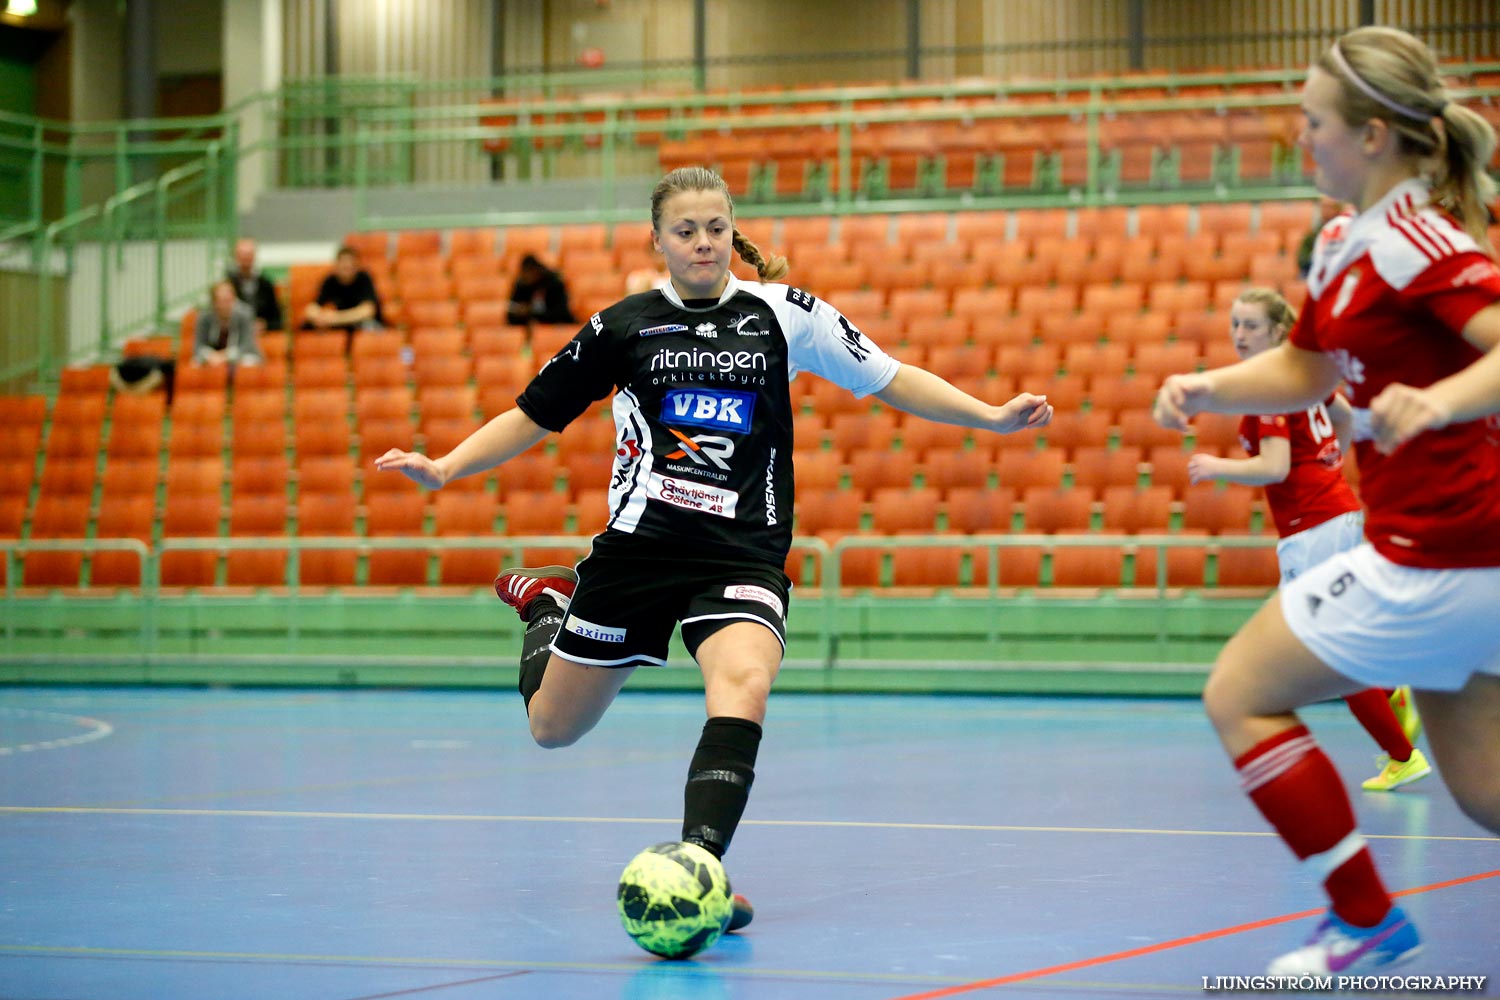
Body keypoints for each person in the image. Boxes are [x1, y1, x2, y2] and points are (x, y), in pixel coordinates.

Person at [376, 165, 1053, 935]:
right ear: (658, 240)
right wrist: (447, 465)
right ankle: (549, 606)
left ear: (735, 232)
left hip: (740, 554)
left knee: (743, 685)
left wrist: (992, 417)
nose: (703, 244)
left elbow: (891, 378)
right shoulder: (621, 327)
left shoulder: (784, 314)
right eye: (686, 231)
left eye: (716, 229)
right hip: (638, 551)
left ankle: (703, 869)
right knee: (552, 728)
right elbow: (534, 414)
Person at [1153, 25, 1500, 975]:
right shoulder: (1348, 241)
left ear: (1375, 136)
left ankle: (1365, 914)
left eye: (1314, 123)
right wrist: (1213, 388)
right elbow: (1308, 366)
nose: (1302, 139)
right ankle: (1366, 917)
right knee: (1484, 793)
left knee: (1239, 693)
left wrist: (1443, 398)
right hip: (1456, 561)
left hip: (1444, 553)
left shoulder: (1418, 242)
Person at [1186, 288, 1427, 792]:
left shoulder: (1270, 389)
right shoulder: (1296, 378)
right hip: (1335, 514)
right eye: (1234, 324)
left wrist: (1216, 467)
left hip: (1314, 527)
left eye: (1250, 325)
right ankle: (1394, 692)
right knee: (1340, 636)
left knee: (1326, 646)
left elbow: (1273, 466)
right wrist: (1328, 465)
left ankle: (1402, 755)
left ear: (1277, 332)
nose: (1238, 334)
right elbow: (1340, 416)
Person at [302, 246, 384, 345]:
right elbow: (312, 308)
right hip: (341, 325)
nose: (347, 266)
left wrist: (335, 318)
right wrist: (319, 317)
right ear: (337, 265)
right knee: (307, 328)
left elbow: (368, 311)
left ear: (357, 265)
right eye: (344, 263)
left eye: (351, 263)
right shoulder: (330, 280)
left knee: (372, 331)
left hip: (360, 324)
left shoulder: (364, 279)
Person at [194, 280, 263, 367]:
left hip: (240, 355)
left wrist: (225, 356)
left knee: (248, 363)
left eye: (228, 300)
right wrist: (211, 356)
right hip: (212, 356)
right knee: (195, 364)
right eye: (220, 301)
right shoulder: (204, 317)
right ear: (214, 302)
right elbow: (198, 346)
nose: (224, 306)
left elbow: (246, 345)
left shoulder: (245, 314)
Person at [226, 237, 284, 334]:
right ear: (235, 257)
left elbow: (278, 320)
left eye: (248, 255)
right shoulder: (227, 286)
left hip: (261, 336)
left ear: (254, 256)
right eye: (242, 255)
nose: (245, 259)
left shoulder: (266, 285)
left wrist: (265, 325)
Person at [506, 253, 576, 325]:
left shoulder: (554, 283)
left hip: (556, 325)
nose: (526, 277)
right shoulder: (521, 285)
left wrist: (532, 312)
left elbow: (561, 312)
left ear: (535, 271)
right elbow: (511, 312)